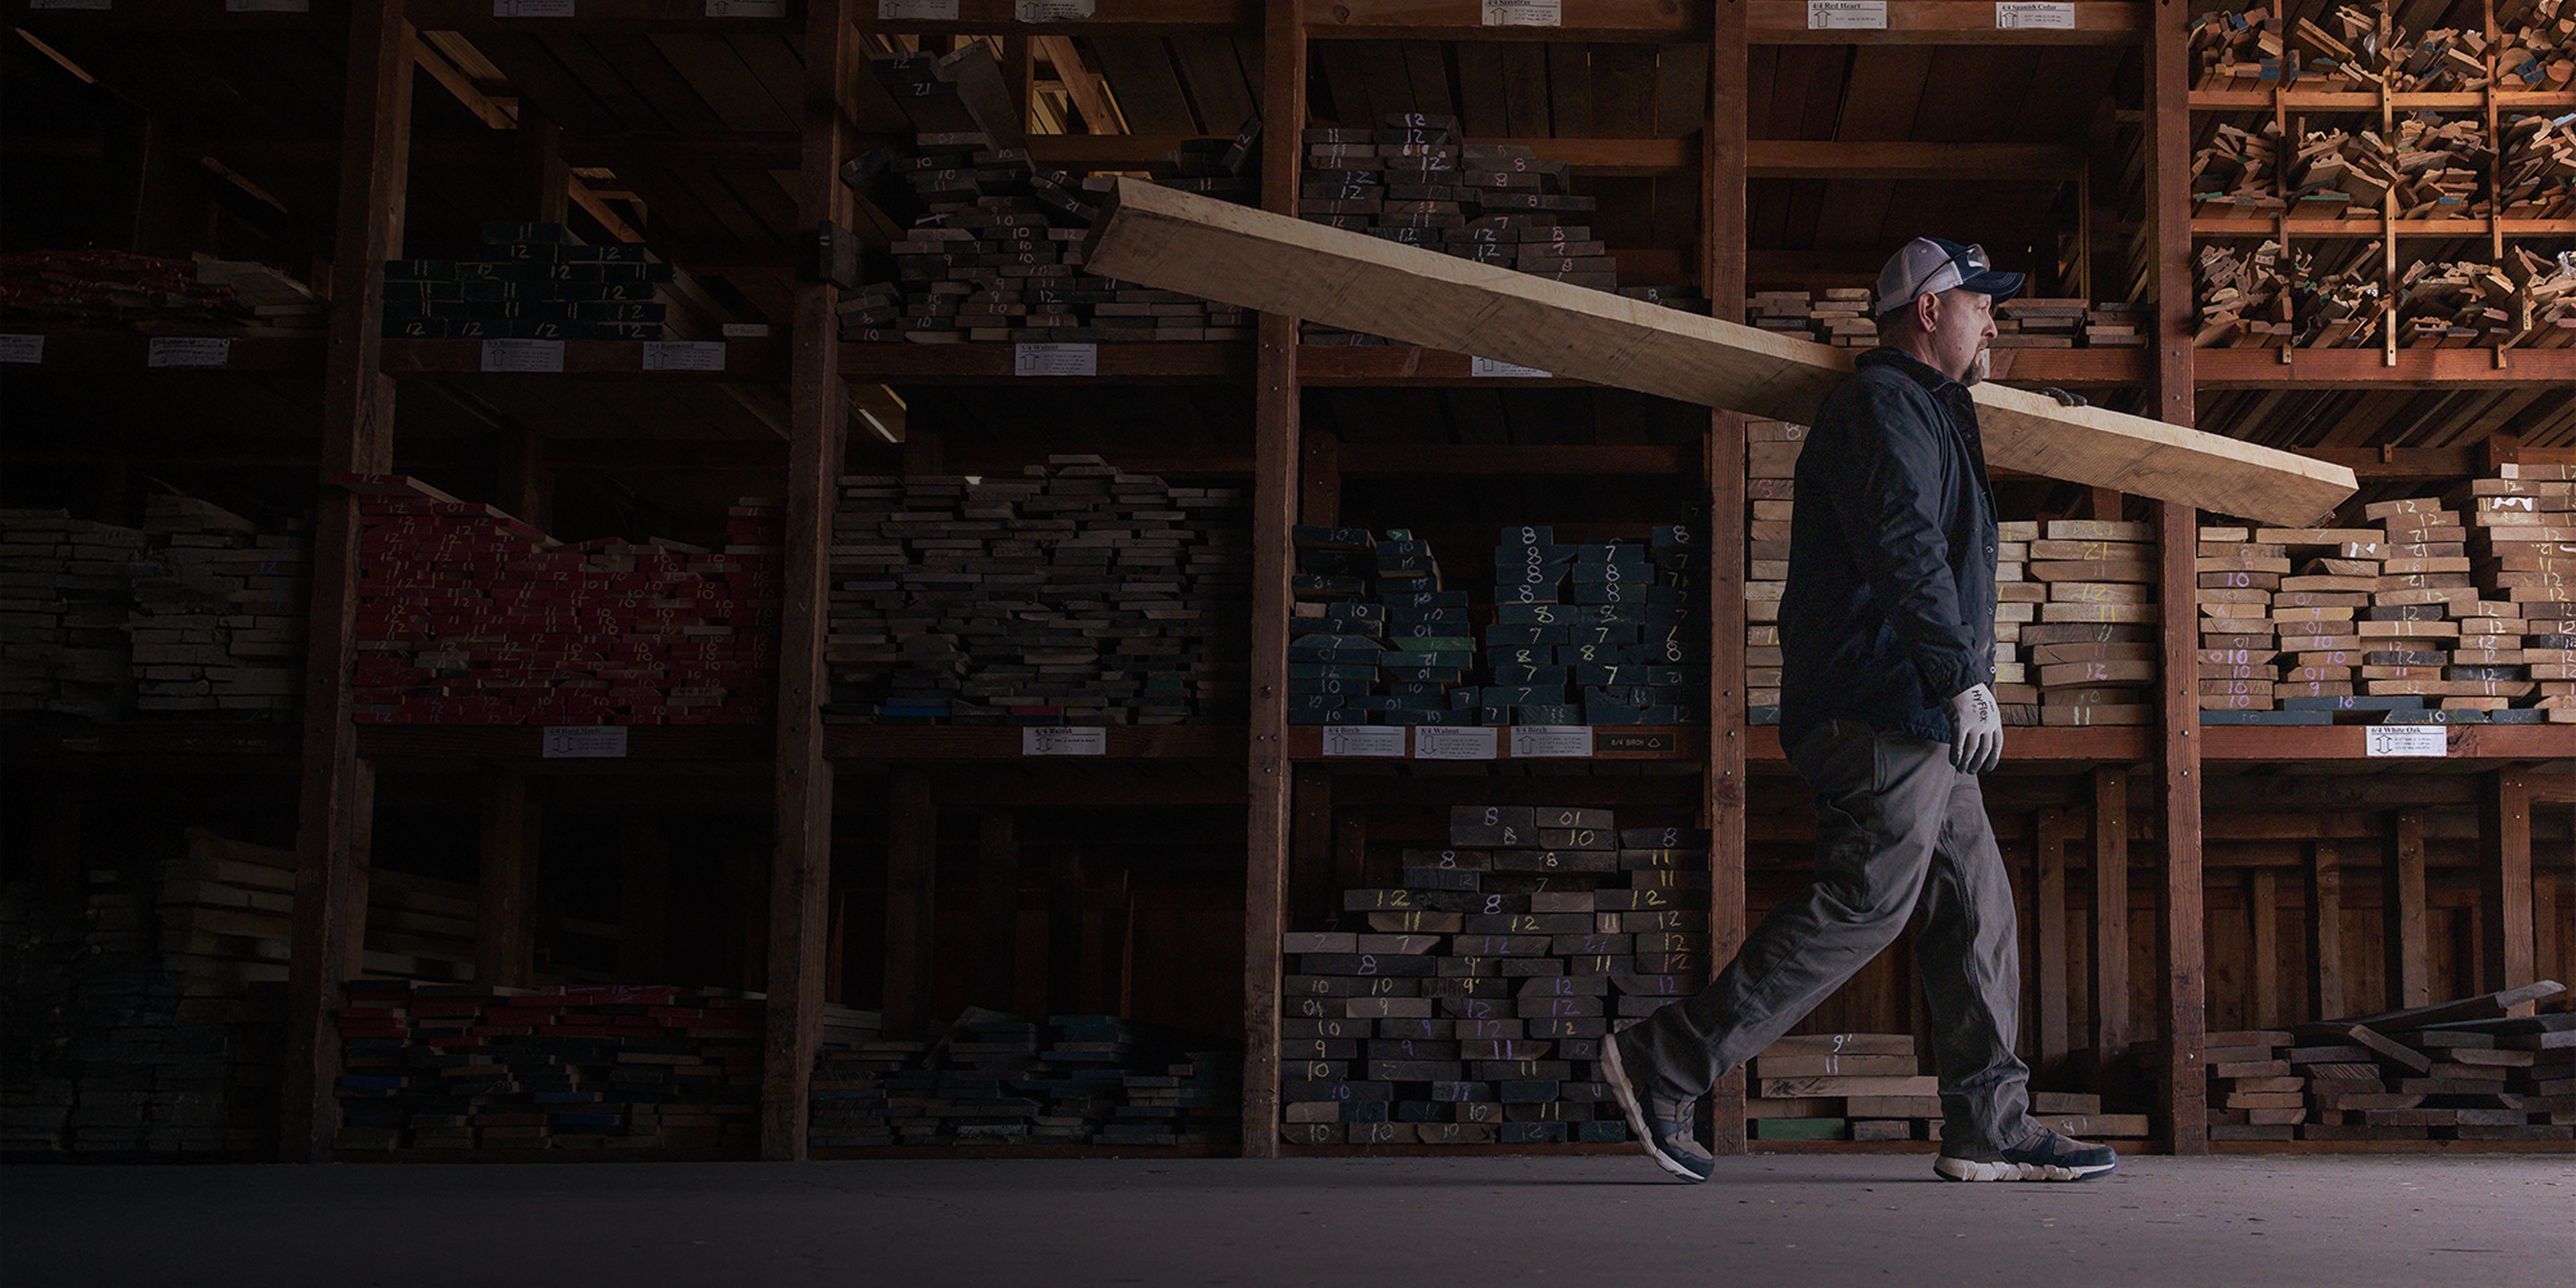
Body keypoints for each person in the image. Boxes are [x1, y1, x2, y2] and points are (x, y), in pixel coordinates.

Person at [1599, 238, 2120, 1184]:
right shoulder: (1883, 404)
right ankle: (1663, 1060)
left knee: (1975, 909)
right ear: (1929, 311)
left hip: (1918, 713)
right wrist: (1960, 675)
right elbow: (1902, 540)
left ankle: (1988, 1125)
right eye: (1981, 306)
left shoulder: (1926, 408)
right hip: (1883, 705)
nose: (1993, 324)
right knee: (1868, 899)